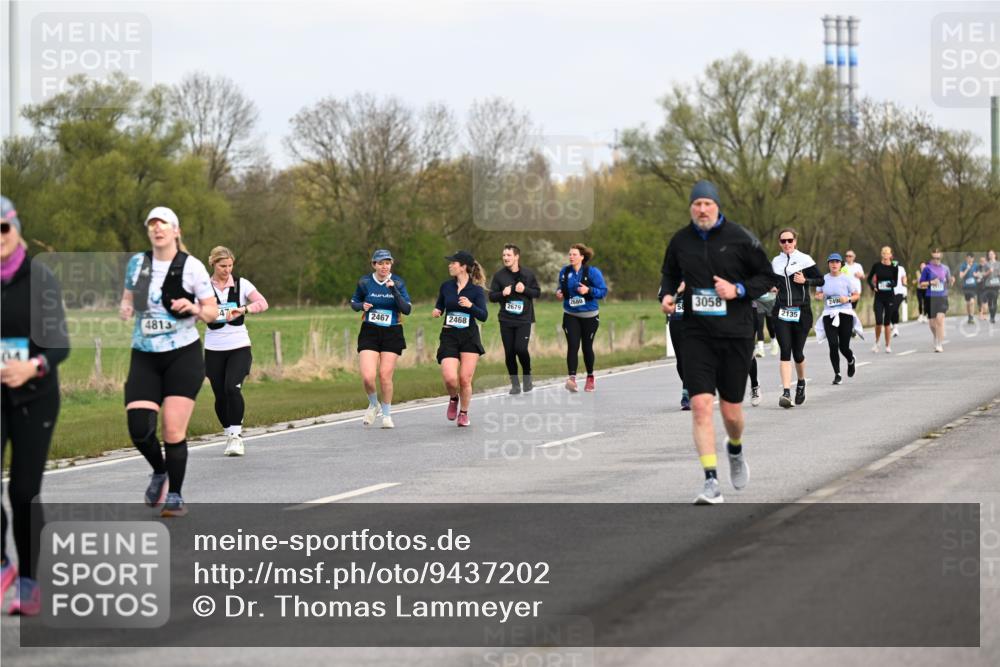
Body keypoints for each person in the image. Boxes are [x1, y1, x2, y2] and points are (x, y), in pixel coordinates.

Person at [660, 180, 773, 505]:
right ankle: (711, 480)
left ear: (717, 206)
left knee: (731, 412)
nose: (702, 209)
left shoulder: (740, 238)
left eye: (708, 203)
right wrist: (668, 294)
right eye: (697, 204)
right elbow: (669, 272)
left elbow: (766, 276)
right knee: (699, 407)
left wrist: (737, 290)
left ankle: (735, 449)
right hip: (696, 334)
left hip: (736, 333)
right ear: (691, 208)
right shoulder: (681, 240)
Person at [119, 207, 218, 517]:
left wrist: (193, 307)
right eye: (152, 225)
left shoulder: (192, 268)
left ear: (176, 231)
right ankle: (159, 471)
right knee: (138, 428)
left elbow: (212, 312)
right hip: (144, 356)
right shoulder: (138, 263)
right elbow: (128, 297)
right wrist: (125, 307)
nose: (157, 229)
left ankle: (174, 495)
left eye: (163, 225)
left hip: (182, 356)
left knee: (172, 430)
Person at [1, 196, 70, 615]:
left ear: (16, 227)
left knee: (23, 490)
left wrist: (33, 366)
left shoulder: (39, 278)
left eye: (2, 228)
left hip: (36, 396)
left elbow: (59, 342)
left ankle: (28, 579)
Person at [204, 246, 269, 456]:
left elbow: (263, 302)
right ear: (213, 264)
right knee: (220, 395)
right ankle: (228, 432)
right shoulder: (202, 286)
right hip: (214, 348)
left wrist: (245, 309)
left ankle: (236, 436)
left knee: (233, 388)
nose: (227, 270)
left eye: (230, 265)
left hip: (239, 345)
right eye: (223, 266)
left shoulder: (242, 284)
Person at [351, 249, 411, 429]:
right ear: (374, 265)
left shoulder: (398, 282)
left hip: (392, 332)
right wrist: (362, 305)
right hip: (369, 331)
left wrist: (393, 290)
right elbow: (354, 303)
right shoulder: (365, 282)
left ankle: (386, 415)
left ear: (391, 264)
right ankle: (373, 403)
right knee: (368, 377)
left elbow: (406, 309)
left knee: (385, 375)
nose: (384, 266)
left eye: (387, 263)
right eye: (380, 263)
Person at [433, 251, 487, 427]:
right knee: (450, 378)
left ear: (463, 266)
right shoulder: (445, 287)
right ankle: (453, 398)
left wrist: (471, 306)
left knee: (464, 379)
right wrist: (437, 311)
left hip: (469, 337)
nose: (450, 265)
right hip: (449, 335)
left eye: (453, 263)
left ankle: (463, 413)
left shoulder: (476, 291)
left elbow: (484, 316)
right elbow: (440, 305)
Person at [771, 228, 824, 408]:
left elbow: (821, 280)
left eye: (789, 240)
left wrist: (806, 281)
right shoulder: (776, 262)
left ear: (795, 241)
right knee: (785, 350)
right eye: (783, 241)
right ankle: (786, 392)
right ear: (780, 243)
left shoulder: (804, 259)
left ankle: (801, 382)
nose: (786, 244)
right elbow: (772, 282)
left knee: (797, 353)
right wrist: (772, 286)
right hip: (782, 311)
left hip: (802, 311)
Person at [488, 244, 541, 395]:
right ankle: (515, 384)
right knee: (509, 353)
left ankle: (527, 375)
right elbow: (491, 297)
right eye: (504, 255)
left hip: (524, 319)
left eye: (508, 255)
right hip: (506, 319)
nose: (505, 258)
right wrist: (502, 294)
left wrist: (525, 290)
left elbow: (537, 293)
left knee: (520, 349)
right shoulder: (499, 276)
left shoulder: (528, 274)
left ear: (516, 257)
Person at [556, 244, 608, 392]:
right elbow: (561, 288)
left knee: (586, 347)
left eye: (574, 254)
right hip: (570, 314)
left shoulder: (592, 272)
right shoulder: (565, 272)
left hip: (589, 315)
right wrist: (559, 293)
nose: (571, 257)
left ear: (582, 257)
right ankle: (571, 379)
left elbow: (603, 291)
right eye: (570, 254)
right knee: (573, 345)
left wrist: (588, 290)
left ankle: (590, 377)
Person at [815, 253, 862, 384]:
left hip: (845, 314)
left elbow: (856, 295)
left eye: (837, 262)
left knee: (843, 347)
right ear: (828, 264)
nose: (834, 264)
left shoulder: (847, 279)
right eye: (831, 262)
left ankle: (851, 359)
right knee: (833, 345)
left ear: (841, 264)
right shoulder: (823, 279)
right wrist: (819, 296)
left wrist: (847, 298)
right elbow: (818, 293)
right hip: (829, 314)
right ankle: (837, 374)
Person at [918, 248, 954, 352]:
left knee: (939, 320)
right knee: (932, 324)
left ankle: (939, 343)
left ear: (941, 256)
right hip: (930, 297)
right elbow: (921, 283)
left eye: (938, 257)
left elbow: (949, 283)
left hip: (942, 297)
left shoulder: (945, 268)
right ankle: (935, 336)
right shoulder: (927, 269)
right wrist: (931, 283)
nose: (936, 260)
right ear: (932, 256)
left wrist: (952, 281)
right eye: (934, 257)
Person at [867, 246, 899, 353]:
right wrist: (873, 287)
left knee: (887, 322)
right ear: (882, 254)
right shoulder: (876, 266)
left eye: (887, 253)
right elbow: (868, 279)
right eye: (884, 253)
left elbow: (895, 282)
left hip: (890, 297)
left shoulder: (894, 266)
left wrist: (888, 284)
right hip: (879, 297)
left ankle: (888, 345)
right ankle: (876, 342)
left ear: (890, 255)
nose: (885, 255)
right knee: (879, 321)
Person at [664, 281, 690, 410]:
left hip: (695, 321)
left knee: (689, 358)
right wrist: (678, 291)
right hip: (676, 321)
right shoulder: (672, 276)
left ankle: (687, 394)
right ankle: (691, 387)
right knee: (680, 361)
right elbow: (662, 297)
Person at [958, 253, 979, 324]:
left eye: (971, 258)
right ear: (966, 258)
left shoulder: (976, 265)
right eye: (968, 258)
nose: (969, 259)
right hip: (966, 287)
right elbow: (961, 276)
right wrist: (967, 269)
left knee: (972, 302)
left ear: (973, 258)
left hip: (973, 286)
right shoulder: (963, 265)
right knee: (967, 303)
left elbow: (979, 274)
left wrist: (976, 274)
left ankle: (972, 317)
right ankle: (969, 316)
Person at [890, 260, 907, 338]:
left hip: (899, 292)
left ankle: (895, 327)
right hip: (889, 292)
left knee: (895, 308)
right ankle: (892, 325)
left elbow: (904, 278)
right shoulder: (887, 269)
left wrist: (905, 282)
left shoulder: (901, 269)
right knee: (890, 309)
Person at [981, 250, 998, 324]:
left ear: (995, 255)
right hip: (988, 285)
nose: (990, 255)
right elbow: (983, 275)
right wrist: (989, 272)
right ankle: (991, 315)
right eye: (989, 254)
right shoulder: (986, 264)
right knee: (990, 302)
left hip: (996, 285)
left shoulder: (999, 264)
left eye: (992, 254)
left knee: (994, 301)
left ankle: (992, 317)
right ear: (988, 256)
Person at [976, 255, 990, 321]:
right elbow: (975, 274)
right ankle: (980, 315)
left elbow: (987, 274)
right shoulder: (977, 267)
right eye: (981, 261)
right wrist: (979, 274)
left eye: (983, 261)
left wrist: (981, 274)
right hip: (979, 286)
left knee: (985, 301)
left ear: (986, 261)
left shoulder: (987, 267)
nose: (982, 262)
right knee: (979, 301)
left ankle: (985, 315)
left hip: (986, 286)